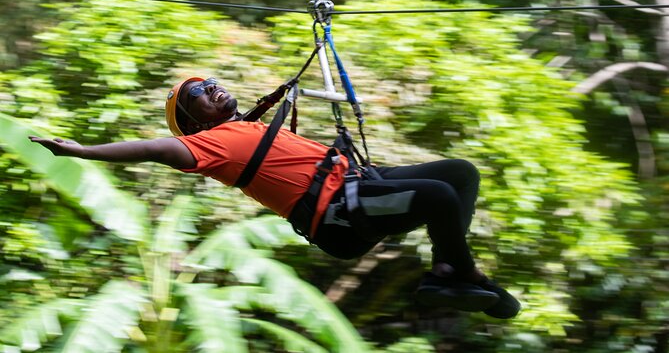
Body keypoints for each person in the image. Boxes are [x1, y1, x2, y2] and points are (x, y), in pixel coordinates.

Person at [29, 76, 520, 319]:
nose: (214, 87)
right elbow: (152, 149)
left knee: (458, 174)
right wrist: (83, 152)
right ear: (194, 121)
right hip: (339, 215)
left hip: (358, 183)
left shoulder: (250, 126)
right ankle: (455, 275)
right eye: (199, 91)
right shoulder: (208, 146)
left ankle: (449, 268)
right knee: (436, 195)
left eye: (212, 81)